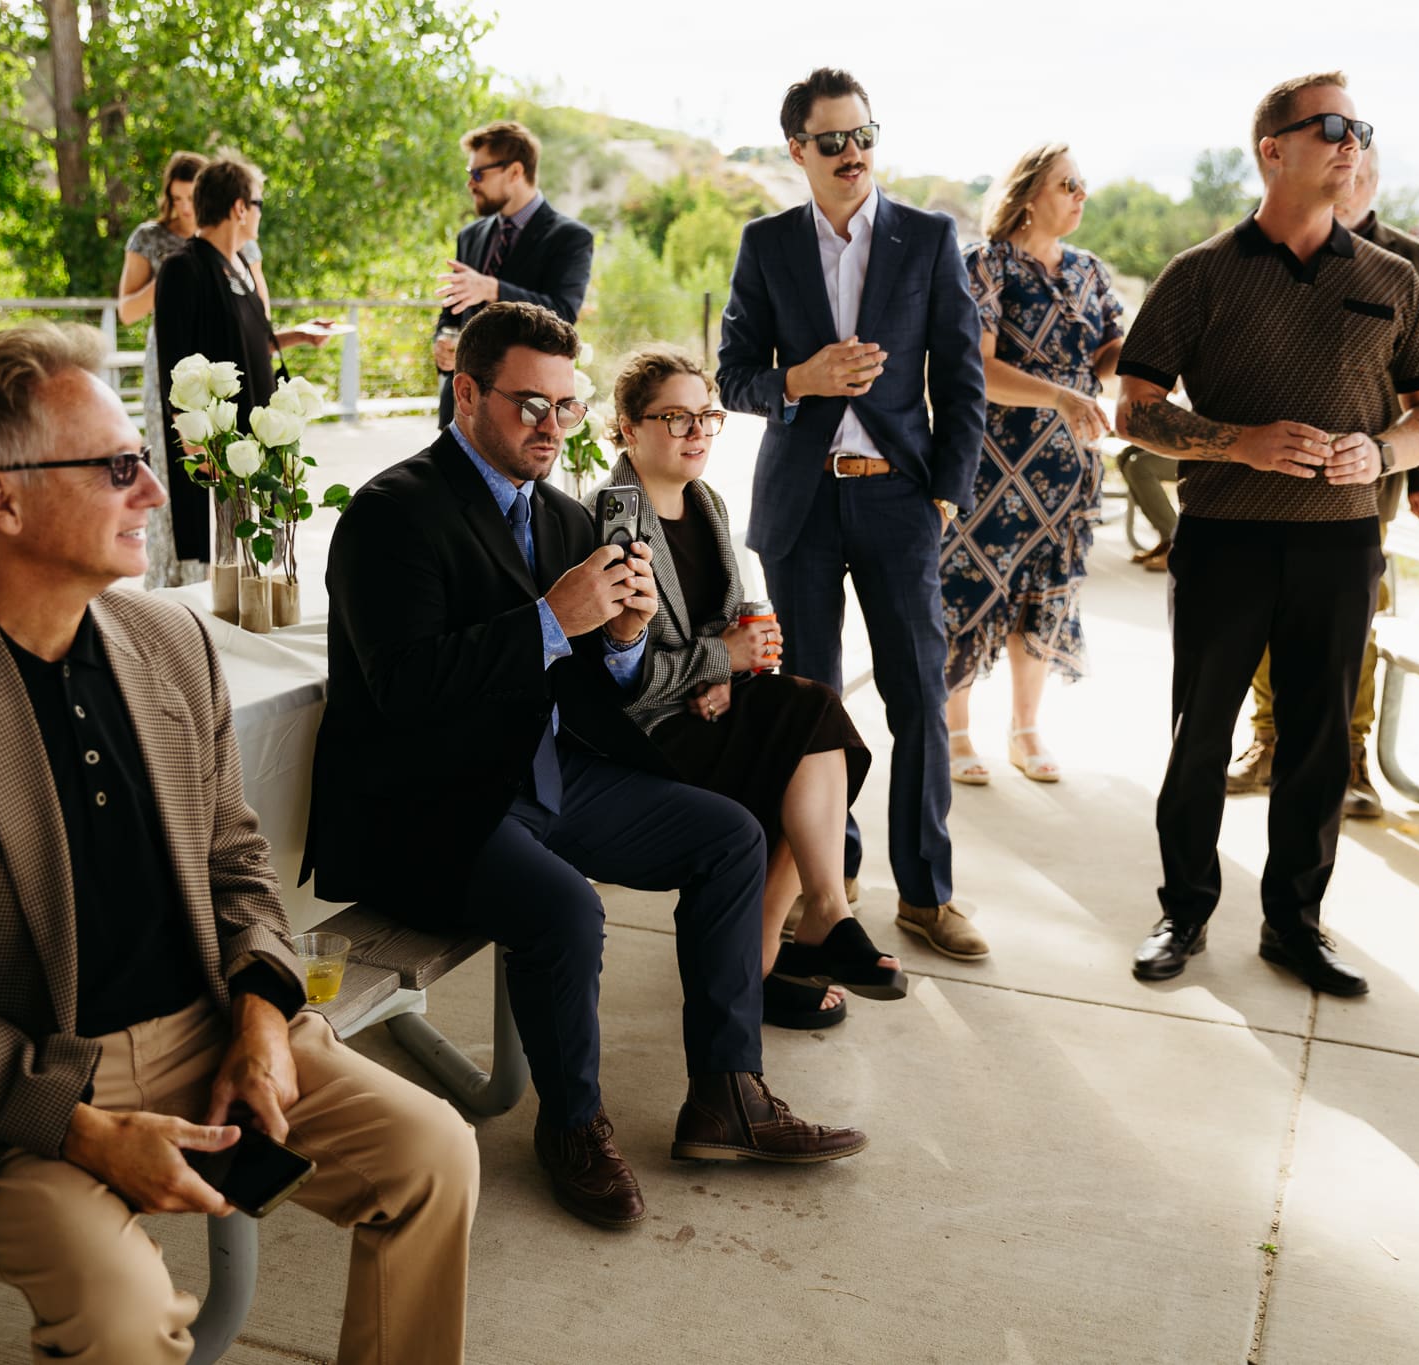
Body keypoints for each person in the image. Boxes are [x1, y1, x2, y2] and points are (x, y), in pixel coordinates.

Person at [0, 323, 478, 1364]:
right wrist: (86, 1129)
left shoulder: (168, 639)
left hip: (207, 1028)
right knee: (120, 1310)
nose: (152, 490)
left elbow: (236, 864)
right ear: (0, 499)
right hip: (14, 1094)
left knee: (435, 1157)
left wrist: (262, 1016)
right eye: (115, 467)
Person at [304, 302, 867, 1231]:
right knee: (569, 906)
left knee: (731, 835)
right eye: (530, 404)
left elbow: (596, 690)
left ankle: (727, 1095)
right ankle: (570, 1125)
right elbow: (402, 690)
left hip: (541, 776)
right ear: (468, 390)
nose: (550, 428)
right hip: (429, 802)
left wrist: (626, 642)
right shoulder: (392, 511)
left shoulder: (567, 518)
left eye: (564, 408)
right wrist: (551, 622)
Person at [1114, 71, 1419, 997]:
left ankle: (1294, 926)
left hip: (1342, 548)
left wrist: (1384, 456)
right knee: (1200, 739)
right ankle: (1182, 911)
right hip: (1224, 537)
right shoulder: (1200, 274)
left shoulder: (1393, 280)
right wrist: (1240, 443)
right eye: (1331, 127)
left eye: (1360, 128)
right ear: (1273, 148)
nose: (1351, 142)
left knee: (1316, 745)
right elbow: (1135, 410)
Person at [717, 67, 990, 961]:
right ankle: (829, 885)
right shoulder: (765, 244)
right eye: (832, 141)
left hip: (898, 499)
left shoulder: (928, 237)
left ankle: (928, 892)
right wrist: (803, 378)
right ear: (796, 149)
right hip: (801, 505)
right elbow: (733, 377)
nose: (853, 155)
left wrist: (943, 493)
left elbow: (961, 379)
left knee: (917, 695)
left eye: (865, 136)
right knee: (813, 708)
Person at [599, 344, 901, 1031]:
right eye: (676, 418)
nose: (698, 431)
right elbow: (622, 678)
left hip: (705, 709)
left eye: (707, 415)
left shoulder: (706, 502)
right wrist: (719, 661)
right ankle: (816, 924)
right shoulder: (612, 521)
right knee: (809, 720)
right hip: (644, 736)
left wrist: (736, 668)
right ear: (628, 427)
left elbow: (723, 627)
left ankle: (768, 959)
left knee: (807, 747)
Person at [1226, 143, 1419, 818]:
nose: (1346, 184)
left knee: (1353, 623)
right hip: (1270, 467)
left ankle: (1349, 754)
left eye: (1360, 175)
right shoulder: (1264, 246)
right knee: (1266, 610)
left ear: (1375, 181)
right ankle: (1268, 739)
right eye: (1338, 171)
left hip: (1365, 475)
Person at [940, 143, 1124, 786]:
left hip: (1066, 467)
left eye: (1083, 184)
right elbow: (980, 370)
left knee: (1044, 597)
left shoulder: (1090, 271)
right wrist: (1059, 393)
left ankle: (1024, 730)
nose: (1080, 195)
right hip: (993, 461)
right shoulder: (985, 265)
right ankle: (955, 730)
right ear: (1025, 195)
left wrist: (1145, 352)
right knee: (968, 591)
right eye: (1068, 183)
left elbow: (1106, 353)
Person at [152, 154, 278, 570]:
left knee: (259, 557)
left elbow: (246, 342)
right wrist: (194, 443)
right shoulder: (182, 268)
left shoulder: (240, 266)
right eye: (258, 203)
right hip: (216, 447)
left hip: (253, 436)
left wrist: (298, 336)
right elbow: (175, 362)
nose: (260, 213)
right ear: (240, 207)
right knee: (222, 558)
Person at [432, 121, 593, 430]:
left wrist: (493, 289)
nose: (470, 184)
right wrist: (442, 341)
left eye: (478, 173)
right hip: (459, 410)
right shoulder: (470, 236)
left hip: (527, 413)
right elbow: (451, 315)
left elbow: (563, 314)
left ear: (515, 172)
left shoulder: (570, 237)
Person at [119, 150, 207, 588]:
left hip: (215, 363)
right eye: (178, 199)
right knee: (169, 461)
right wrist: (168, 279)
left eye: (193, 197)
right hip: (166, 363)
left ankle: (212, 573)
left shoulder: (230, 238)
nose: (187, 208)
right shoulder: (149, 238)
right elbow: (127, 311)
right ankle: (165, 580)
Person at [1117, 446, 1180, 570]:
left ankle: (1177, 546)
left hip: (1208, 452)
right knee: (1125, 456)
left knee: (1139, 466)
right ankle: (1167, 540)